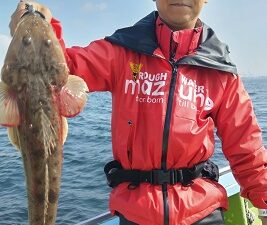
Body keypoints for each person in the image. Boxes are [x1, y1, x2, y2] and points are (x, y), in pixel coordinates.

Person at [9, 0, 267, 225]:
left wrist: (263, 202)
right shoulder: (121, 51)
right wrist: (44, 26)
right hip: (137, 213)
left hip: (202, 212)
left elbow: (247, 150)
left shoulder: (221, 71)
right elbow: (63, 69)